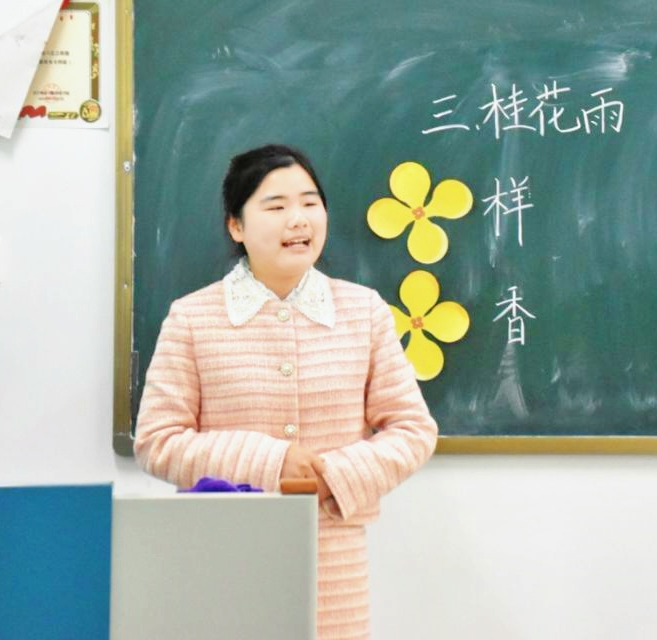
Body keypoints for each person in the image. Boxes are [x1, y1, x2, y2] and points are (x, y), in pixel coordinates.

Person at [134, 143, 438, 639]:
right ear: (236, 226)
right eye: (276, 206)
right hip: (224, 560)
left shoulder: (364, 311)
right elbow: (157, 441)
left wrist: (332, 475)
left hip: (333, 563)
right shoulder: (191, 318)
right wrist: (271, 463)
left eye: (310, 202)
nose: (298, 219)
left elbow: (412, 430)